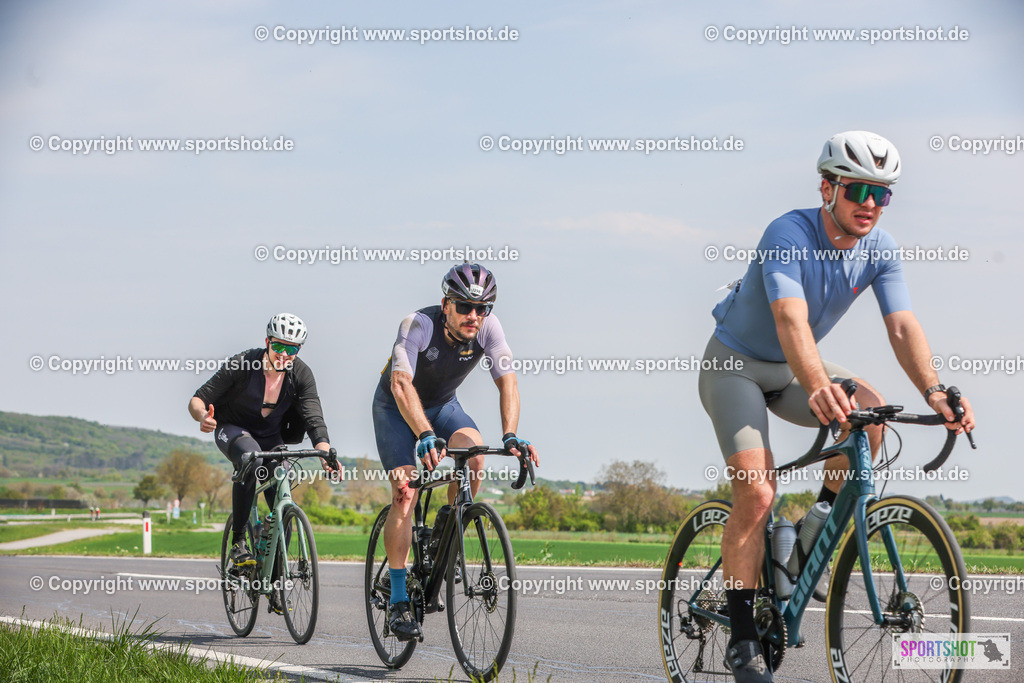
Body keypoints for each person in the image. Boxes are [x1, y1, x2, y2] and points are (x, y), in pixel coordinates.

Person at [697, 131, 975, 682]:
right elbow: (790, 320)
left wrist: (935, 391)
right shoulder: (788, 232)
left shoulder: (882, 249)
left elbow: (901, 325)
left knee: (872, 414)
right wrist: (819, 381)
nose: (870, 204)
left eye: (883, 194)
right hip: (737, 366)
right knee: (756, 489)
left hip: (797, 367)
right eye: (858, 190)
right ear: (828, 188)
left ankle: (811, 532)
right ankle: (743, 639)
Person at [373, 263, 539, 641]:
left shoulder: (488, 329)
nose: (475, 316)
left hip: (444, 406)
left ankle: (444, 533)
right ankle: (399, 599)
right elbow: (400, 384)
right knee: (405, 492)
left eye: (483, 309)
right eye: (465, 307)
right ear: (446, 304)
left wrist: (510, 435)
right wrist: (425, 434)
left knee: (475, 455)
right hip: (397, 409)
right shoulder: (417, 325)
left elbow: (508, 383)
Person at [189, 313, 336, 611]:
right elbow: (198, 398)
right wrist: (203, 416)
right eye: (279, 347)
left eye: (292, 349)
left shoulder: (301, 374)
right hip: (233, 430)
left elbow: (313, 415)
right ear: (267, 342)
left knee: (283, 497)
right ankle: (239, 541)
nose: (284, 355)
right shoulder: (243, 364)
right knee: (249, 458)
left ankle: (276, 581)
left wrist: (324, 450)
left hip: (271, 438)